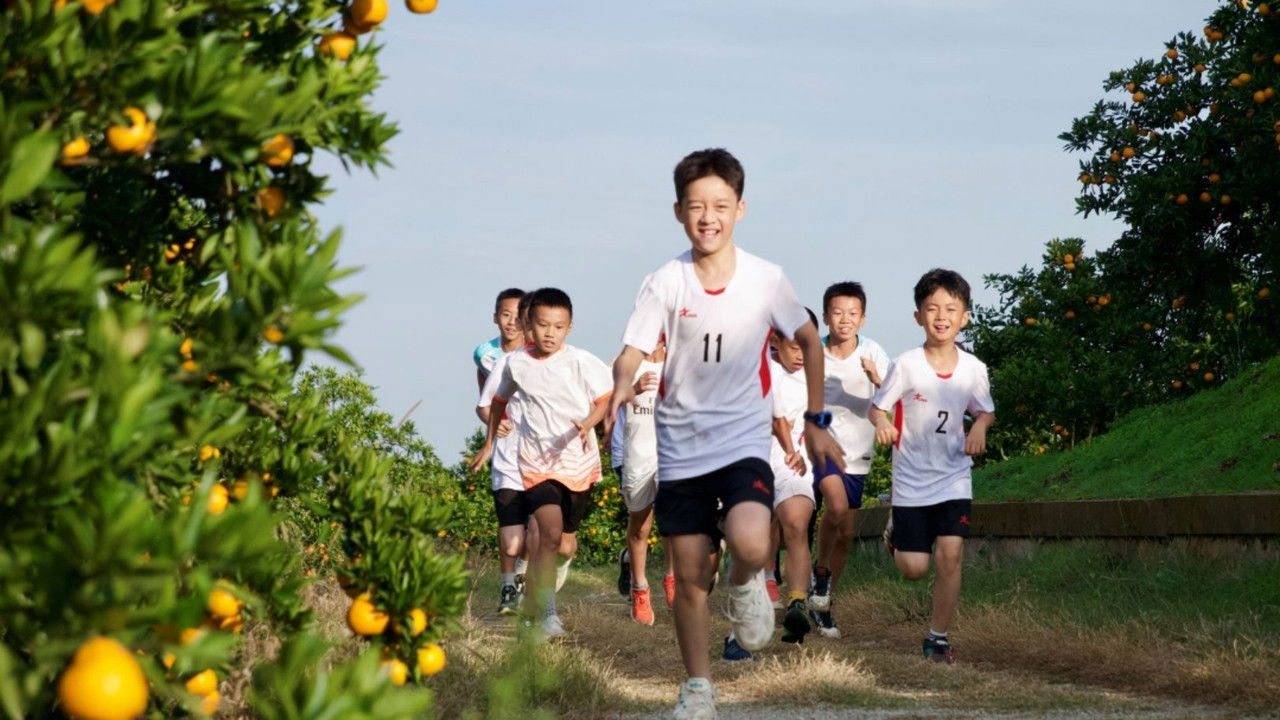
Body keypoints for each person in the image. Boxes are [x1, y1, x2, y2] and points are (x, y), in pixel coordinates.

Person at [607, 148, 844, 720]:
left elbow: (810, 342)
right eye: (695, 207)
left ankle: (747, 586)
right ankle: (697, 688)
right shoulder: (665, 281)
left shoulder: (767, 279)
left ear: (740, 208)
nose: (707, 217)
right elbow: (632, 351)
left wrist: (814, 421)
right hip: (681, 446)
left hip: (741, 440)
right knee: (690, 575)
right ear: (678, 212)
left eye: (719, 205)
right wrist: (619, 387)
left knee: (752, 540)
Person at [470, 287, 613, 638]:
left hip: (578, 462)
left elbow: (606, 398)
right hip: (535, 462)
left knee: (564, 542)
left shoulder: (581, 361)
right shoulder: (515, 363)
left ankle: (538, 601)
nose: (550, 333)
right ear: (529, 326)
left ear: (570, 327)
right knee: (546, 533)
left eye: (558, 326)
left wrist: (590, 423)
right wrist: (489, 443)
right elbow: (499, 400)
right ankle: (548, 616)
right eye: (543, 325)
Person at [869, 268, 995, 664]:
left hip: (954, 477)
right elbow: (877, 408)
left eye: (951, 309)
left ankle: (938, 637)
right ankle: (896, 536)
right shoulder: (906, 364)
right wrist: (884, 423)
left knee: (952, 555)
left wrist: (980, 430)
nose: (941, 316)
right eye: (932, 308)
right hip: (911, 480)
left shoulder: (974, 368)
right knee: (913, 569)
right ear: (918, 316)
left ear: (965, 317)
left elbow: (985, 411)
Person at [808, 282, 891, 638]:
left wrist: (877, 379)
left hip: (858, 453)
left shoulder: (873, 351)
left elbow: (892, 398)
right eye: (838, 312)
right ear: (825, 316)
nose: (845, 320)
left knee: (845, 534)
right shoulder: (814, 352)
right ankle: (817, 579)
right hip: (821, 447)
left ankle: (824, 600)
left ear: (863, 318)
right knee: (836, 508)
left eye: (852, 313)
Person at [766, 309, 822, 646]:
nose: (801, 355)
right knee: (761, 531)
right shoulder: (761, 370)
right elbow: (777, 419)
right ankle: (764, 576)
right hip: (756, 462)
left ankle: (797, 601)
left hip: (796, 465)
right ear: (775, 341)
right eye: (794, 347)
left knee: (797, 525)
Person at [476, 290, 531, 615]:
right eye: (504, 314)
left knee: (540, 530)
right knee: (512, 525)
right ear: (495, 317)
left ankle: (525, 573)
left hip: (543, 454)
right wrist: (491, 428)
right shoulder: (486, 354)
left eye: (516, 315)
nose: (510, 321)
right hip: (507, 447)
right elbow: (484, 397)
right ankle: (508, 584)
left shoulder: (543, 354)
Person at [614, 338, 669, 626]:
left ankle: (673, 578)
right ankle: (639, 587)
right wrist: (631, 390)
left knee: (675, 516)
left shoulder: (684, 360)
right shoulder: (626, 363)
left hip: (673, 452)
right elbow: (606, 401)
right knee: (641, 525)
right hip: (638, 454)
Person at [474, 288, 526, 392]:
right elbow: (483, 371)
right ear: (495, 318)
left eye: (518, 317)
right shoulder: (484, 353)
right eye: (506, 315)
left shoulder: (536, 352)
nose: (512, 322)